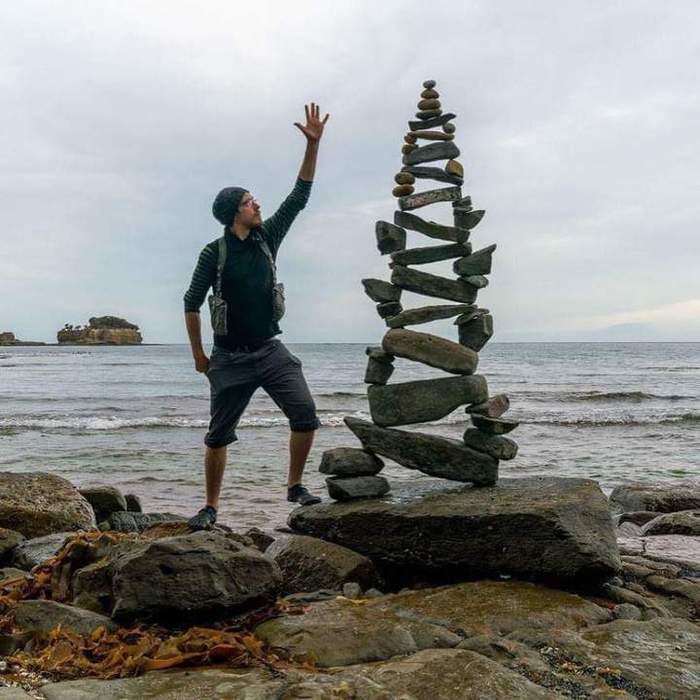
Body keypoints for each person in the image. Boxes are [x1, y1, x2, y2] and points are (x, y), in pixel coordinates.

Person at [183, 103, 330, 530]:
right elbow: (191, 303)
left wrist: (313, 145)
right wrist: (198, 357)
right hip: (229, 358)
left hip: (270, 350)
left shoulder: (268, 237)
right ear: (235, 213)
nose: (256, 204)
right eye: (249, 202)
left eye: (254, 199)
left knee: (305, 416)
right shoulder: (214, 253)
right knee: (217, 436)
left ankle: (295, 487)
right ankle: (210, 506)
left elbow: (299, 195)